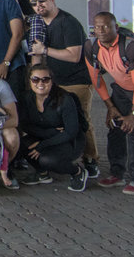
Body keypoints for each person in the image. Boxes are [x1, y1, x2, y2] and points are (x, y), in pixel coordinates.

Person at [84, 12, 134, 195]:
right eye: (97, 27)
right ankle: (117, 174)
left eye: (106, 26)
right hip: (121, 88)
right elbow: (96, 79)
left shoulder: (132, 47)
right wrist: (110, 107)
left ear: (116, 28)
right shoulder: (91, 46)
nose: (101, 30)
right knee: (115, 127)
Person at [24, 0, 99, 177]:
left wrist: (45, 51)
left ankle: (90, 160)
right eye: (33, 3)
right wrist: (33, 79)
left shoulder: (68, 22)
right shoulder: (37, 23)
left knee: (82, 120)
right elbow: (36, 54)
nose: (38, 5)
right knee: (53, 123)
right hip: (52, 83)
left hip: (76, 81)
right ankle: (58, 157)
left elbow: (74, 55)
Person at [18, 64, 89, 192]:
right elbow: (25, 125)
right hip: (47, 135)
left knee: (48, 160)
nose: (40, 83)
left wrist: (43, 144)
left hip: (70, 141)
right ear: (29, 81)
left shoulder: (65, 99)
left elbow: (71, 132)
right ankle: (42, 173)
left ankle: (78, 172)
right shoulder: (26, 98)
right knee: (22, 144)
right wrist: (49, 133)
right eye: (35, 79)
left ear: (52, 81)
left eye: (45, 79)